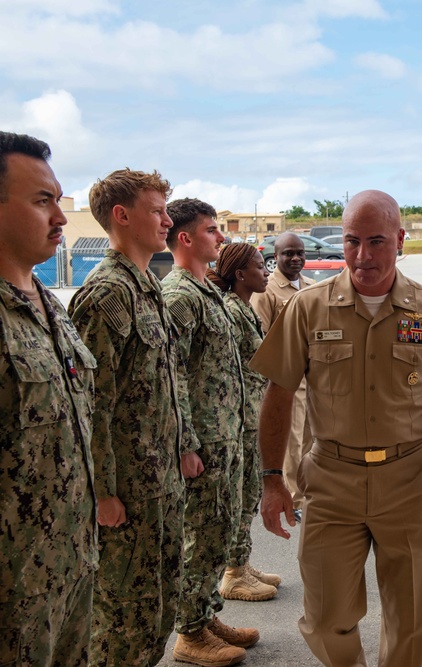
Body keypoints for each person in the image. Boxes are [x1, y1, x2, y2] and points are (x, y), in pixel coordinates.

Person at [250, 190, 422, 667]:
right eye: (352, 241)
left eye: (376, 241)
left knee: (412, 621)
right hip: (331, 479)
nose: (362, 256)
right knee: (323, 616)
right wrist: (272, 479)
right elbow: (278, 395)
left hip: (410, 479)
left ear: (400, 240)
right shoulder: (308, 308)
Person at [68, 168, 187, 666]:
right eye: (157, 210)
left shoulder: (146, 285)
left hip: (160, 482)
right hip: (127, 494)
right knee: (120, 625)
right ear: (122, 216)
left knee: (156, 613)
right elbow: (91, 402)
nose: (167, 220)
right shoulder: (105, 295)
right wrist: (103, 493)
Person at [0, 131, 97, 666]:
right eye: (42, 201)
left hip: (70, 570)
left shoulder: (51, 308)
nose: (59, 217)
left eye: (59, 200)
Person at [162, 198, 255, 666]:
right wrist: (186, 443)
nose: (221, 237)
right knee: (201, 535)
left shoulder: (205, 291)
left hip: (227, 434)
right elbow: (170, 371)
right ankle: (190, 633)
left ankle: (203, 615)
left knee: (218, 531)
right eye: (212, 230)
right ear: (185, 238)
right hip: (204, 441)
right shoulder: (179, 295)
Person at [207, 244, 281, 602]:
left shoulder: (243, 308)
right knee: (244, 495)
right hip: (243, 416)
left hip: (252, 413)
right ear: (240, 274)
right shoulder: (233, 310)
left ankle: (240, 562)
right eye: (258, 267)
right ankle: (234, 574)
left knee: (249, 494)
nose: (266, 272)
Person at [249, 231, 314, 521]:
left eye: (300, 253)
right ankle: (293, 500)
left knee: (313, 440)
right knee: (291, 441)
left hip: (314, 379)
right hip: (287, 380)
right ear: (275, 257)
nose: (296, 258)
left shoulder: (313, 287)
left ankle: (308, 494)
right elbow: (258, 336)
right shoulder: (267, 291)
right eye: (288, 253)